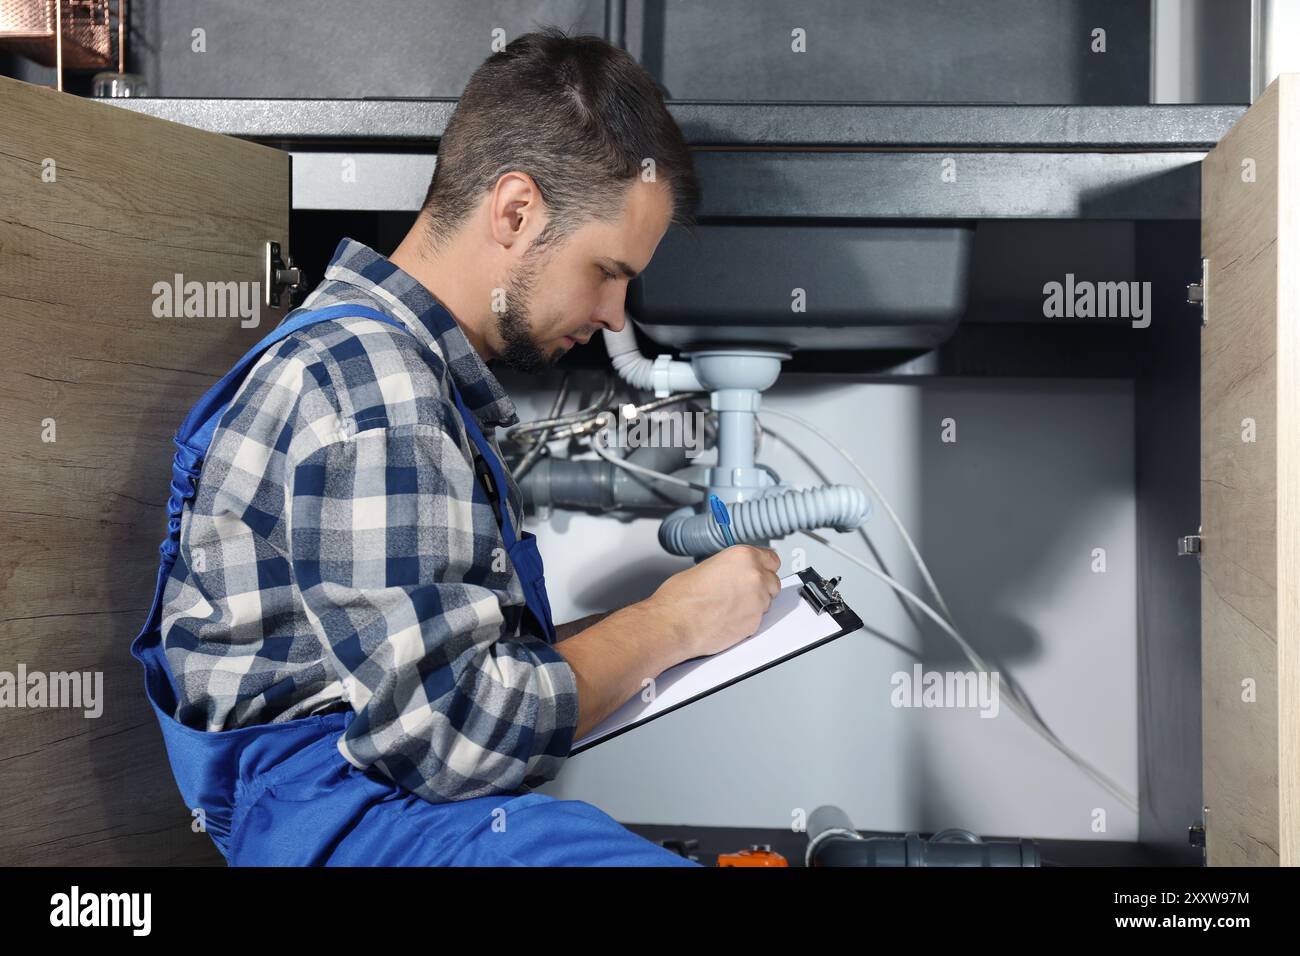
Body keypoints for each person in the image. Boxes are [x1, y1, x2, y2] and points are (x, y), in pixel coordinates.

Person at [132, 27, 782, 866]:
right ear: (516, 212)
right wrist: (670, 624)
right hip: (358, 826)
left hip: (388, 814)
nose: (618, 313)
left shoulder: (394, 370)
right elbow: (453, 731)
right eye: (608, 270)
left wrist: (665, 625)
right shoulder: (373, 383)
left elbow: (446, 674)